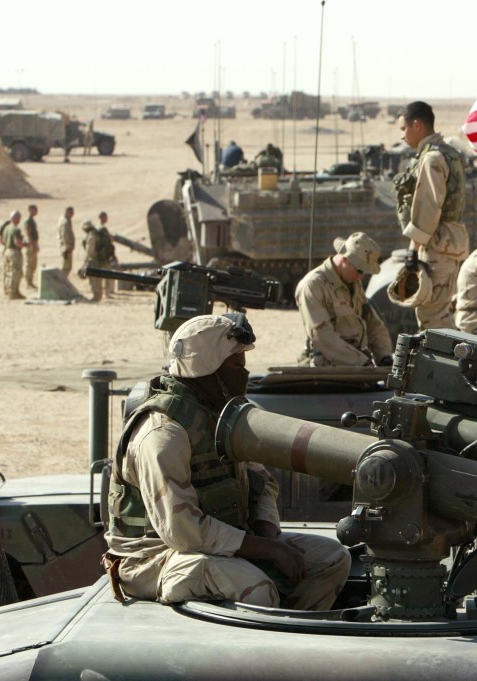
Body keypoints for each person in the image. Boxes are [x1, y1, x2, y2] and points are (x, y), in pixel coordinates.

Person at [103, 313, 351, 608]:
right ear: (207, 370)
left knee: (331, 559)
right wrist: (266, 550)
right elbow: (182, 531)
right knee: (254, 588)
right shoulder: (163, 433)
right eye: (235, 366)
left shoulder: (222, 416)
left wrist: (267, 535)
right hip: (156, 558)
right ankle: (265, 650)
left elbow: (262, 482)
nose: (244, 375)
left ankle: (293, 632)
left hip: (219, 543)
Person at [392, 101, 469, 330]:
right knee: (439, 314)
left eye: (403, 129)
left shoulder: (432, 158)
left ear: (417, 125)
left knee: (432, 317)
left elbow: (429, 206)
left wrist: (414, 249)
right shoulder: (447, 153)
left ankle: (455, 365)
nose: (403, 136)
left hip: (436, 245)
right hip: (445, 242)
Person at [295, 232, 393, 367]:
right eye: (360, 271)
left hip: (355, 363)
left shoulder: (352, 282)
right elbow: (322, 336)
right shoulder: (313, 286)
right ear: (345, 259)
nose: (361, 277)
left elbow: (373, 324)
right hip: (327, 369)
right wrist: (360, 362)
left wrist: (384, 356)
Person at [0, 210, 25, 300]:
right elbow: (17, 242)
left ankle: (6, 290)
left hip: (6, 251)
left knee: (7, 271)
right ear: (16, 219)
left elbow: (2, 240)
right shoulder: (16, 229)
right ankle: (13, 292)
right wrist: (25, 245)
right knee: (16, 272)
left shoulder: (6, 228)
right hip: (14, 252)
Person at [96, 211, 119, 298]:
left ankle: (106, 291)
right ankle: (107, 292)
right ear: (102, 217)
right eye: (105, 217)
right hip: (104, 256)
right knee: (107, 274)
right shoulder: (102, 229)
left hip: (101, 255)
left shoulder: (99, 228)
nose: (107, 219)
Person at [22, 204, 39, 289]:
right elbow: (28, 234)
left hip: (33, 243)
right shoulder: (28, 221)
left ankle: (30, 282)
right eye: (34, 210)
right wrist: (32, 245)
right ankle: (28, 283)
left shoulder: (31, 220)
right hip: (30, 244)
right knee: (29, 264)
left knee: (33, 264)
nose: (36, 212)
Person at [57, 206, 75, 277]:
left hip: (65, 247)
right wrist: (68, 248)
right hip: (66, 248)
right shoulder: (65, 222)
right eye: (70, 213)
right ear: (67, 212)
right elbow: (65, 236)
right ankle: (61, 283)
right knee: (66, 267)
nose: (72, 215)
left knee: (66, 266)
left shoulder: (65, 220)